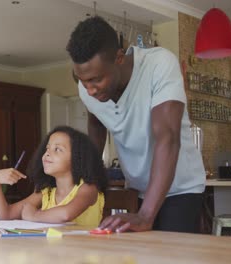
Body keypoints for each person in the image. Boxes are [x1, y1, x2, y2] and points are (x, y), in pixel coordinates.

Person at [66, 16, 205, 233]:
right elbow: (96, 124)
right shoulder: (87, 90)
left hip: (181, 190)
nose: (90, 89)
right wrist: (89, 180)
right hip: (139, 191)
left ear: (119, 58)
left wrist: (145, 215)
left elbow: (168, 138)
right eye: (83, 81)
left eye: (96, 79)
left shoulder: (159, 65)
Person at [0, 126, 108, 226]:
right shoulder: (46, 192)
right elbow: (5, 214)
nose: (47, 153)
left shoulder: (88, 188)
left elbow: (66, 214)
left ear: (78, 158)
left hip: (84, 250)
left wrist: (35, 215)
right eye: (47, 148)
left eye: (57, 149)